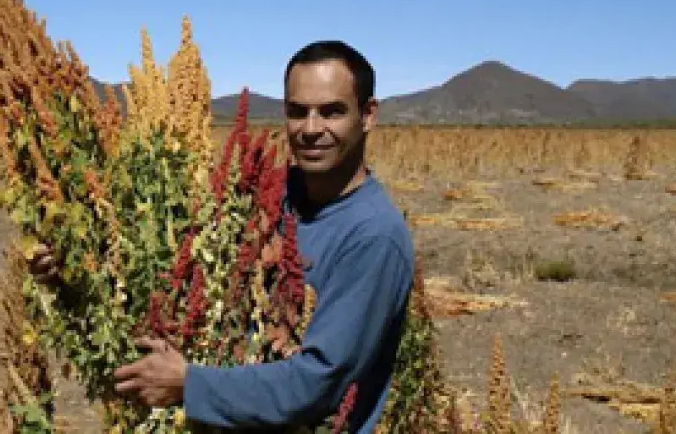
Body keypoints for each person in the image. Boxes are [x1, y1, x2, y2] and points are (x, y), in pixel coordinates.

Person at [29, 40, 414, 433]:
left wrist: (189, 383)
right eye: (298, 112)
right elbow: (170, 286)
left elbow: (317, 383)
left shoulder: (373, 237)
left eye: (332, 112)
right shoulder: (266, 193)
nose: (312, 129)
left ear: (368, 115)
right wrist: (78, 268)